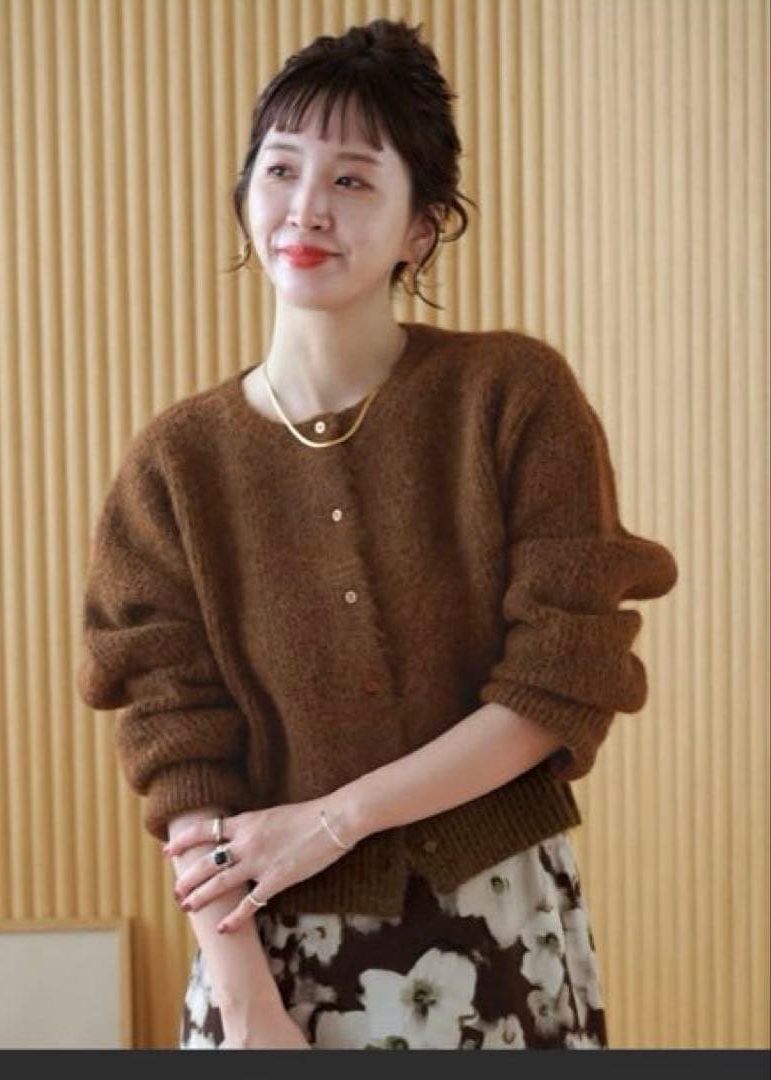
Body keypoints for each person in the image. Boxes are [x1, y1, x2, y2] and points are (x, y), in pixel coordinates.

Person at [76, 18, 678, 1050]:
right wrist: (246, 1005)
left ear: (421, 229)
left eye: (353, 179)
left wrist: (336, 819)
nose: (307, 207)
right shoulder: (174, 463)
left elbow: (559, 679)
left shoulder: (511, 395)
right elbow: (179, 751)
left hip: (498, 934)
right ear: (246, 193)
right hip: (265, 952)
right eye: (281, 169)